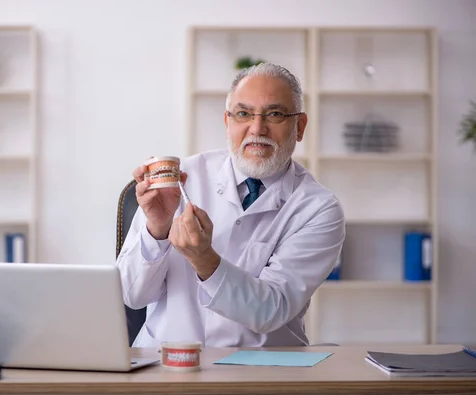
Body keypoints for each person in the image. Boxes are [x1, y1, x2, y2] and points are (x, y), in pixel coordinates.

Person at [117, 63, 345, 347]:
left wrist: (204, 259)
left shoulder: (318, 208)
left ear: (299, 127)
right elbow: (131, 295)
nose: (257, 128)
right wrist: (157, 229)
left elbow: (271, 309)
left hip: (260, 371)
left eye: (274, 114)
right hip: (166, 365)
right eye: (243, 114)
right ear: (227, 123)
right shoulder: (180, 179)